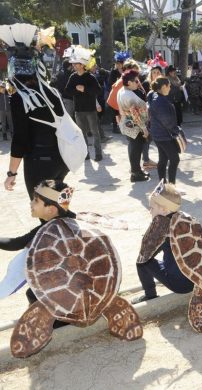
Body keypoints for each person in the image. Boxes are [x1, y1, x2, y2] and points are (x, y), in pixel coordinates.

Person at [0, 180, 75, 328]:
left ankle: (54, 323)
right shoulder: (70, 219)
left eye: (36, 200)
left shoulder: (50, 229)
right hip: (75, 284)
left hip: (65, 291)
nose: (31, 203)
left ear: (51, 210)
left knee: (34, 293)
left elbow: (16, 243)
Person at [4, 45, 69, 199]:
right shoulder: (51, 91)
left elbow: (20, 137)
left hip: (40, 162)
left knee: (44, 211)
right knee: (57, 208)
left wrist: (11, 173)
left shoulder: (20, 98)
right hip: (61, 159)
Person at [132, 181, 194, 303]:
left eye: (152, 208)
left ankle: (150, 295)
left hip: (181, 286)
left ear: (164, 210)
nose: (150, 211)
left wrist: (149, 236)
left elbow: (145, 254)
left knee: (141, 263)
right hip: (197, 280)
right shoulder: (187, 219)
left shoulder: (162, 227)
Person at [65, 48, 103, 161]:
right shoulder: (73, 77)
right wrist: (77, 90)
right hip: (78, 110)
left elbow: (98, 90)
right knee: (82, 134)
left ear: (82, 65)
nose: (74, 66)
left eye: (76, 64)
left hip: (90, 109)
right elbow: (67, 91)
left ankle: (98, 154)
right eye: (73, 64)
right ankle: (85, 154)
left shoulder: (90, 77)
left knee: (95, 132)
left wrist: (84, 89)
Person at [117, 70, 151, 183]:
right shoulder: (129, 95)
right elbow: (135, 114)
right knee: (136, 149)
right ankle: (135, 174)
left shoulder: (122, 91)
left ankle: (137, 171)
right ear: (129, 83)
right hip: (134, 126)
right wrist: (144, 128)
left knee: (134, 148)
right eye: (136, 81)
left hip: (127, 123)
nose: (138, 83)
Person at [148, 77, 182, 185]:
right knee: (174, 159)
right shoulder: (160, 101)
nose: (170, 88)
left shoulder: (154, 95)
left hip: (158, 133)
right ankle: (171, 185)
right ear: (163, 87)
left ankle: (163, 184)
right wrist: (177, 131)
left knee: (163, 159)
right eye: (169, 86)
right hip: (164, 135)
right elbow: (167, 121)